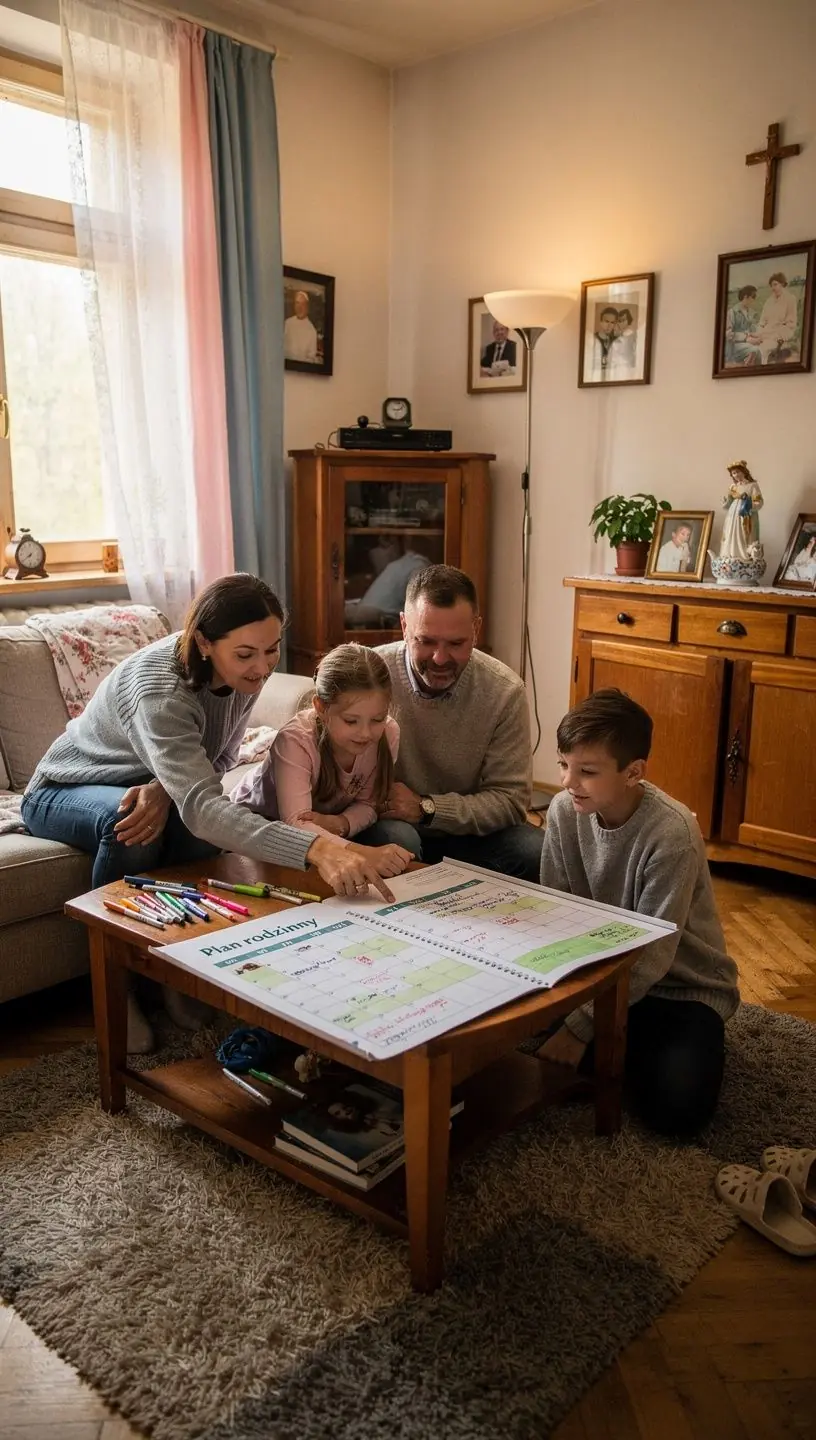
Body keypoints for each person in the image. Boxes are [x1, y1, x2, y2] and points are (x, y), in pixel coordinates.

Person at [21, 575, 405, 1052]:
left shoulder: (242, 676)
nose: (262, 667)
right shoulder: (160, 690)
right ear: (204, 642)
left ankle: (172, 966)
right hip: (65, 786)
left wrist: (165, 788)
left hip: (148, 781)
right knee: (131, 823)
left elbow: (220, 758)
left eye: (272, 650)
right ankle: (116, 989)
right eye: (245, 654)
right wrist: (316, 848)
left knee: (188, 831)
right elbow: (203, 806)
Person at [535, 688, 740, 1136]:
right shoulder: (564, 811)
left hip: (677, 989)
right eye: (564, 764)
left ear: (633, 772)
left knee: (679, 1114)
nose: (567, 782)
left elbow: (653, 957)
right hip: (600, 977)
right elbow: (553, 911)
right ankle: (626, 1054)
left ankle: (643, 1054)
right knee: (519, 1051)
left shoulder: (672, 833)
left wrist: (579, 1027)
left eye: (587, 772)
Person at [356, 565, 545, 880]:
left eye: (456, 644)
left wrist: (426, 808)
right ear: (404, 626)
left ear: (476, 629)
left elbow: (510, 801)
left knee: (537, 851)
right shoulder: (366, 675)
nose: (440, 658)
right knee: (398, 840)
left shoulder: (505, 691)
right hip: (390, 826)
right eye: (426, 641)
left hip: (468, 832)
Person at [231, 645, 408, 870]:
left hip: (327, 824)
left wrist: (341, 823)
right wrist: (364, 854)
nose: (365, 733)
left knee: (401, 836)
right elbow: (296, 823)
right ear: (321, 708)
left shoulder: (388, 733)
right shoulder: (295, 740)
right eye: (351, 721)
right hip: (261, 823)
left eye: (377, 719)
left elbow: (369, 804)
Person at [344, 540, 430, 628]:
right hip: (376, 621)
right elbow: (419, 606)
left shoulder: (400, 563)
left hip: (364, 613)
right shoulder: (419, 566)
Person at [720, 461, 763, 563]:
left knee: (744, 534)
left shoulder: (752, 485)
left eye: (738, 472)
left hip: (746, 514)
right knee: (731, 532)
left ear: (744, 471)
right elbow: (729, 503)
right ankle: (731, 553)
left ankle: (745, 555)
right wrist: (725, 502)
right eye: (733, 473)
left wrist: (750, 505)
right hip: (733, 515)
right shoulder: (733, 487)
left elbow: (759, 502)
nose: (736, 475)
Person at [755, 272, 798, 363]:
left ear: (782, 284)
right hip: (768, 331)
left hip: (783, 331)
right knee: (753, 345)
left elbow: (791, 323)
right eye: (771, 285)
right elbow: (762, 321)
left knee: (764, 347)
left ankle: (764, 366)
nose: (773, 288)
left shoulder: (790, 299)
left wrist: (778, 335)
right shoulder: (769, 301)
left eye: (775, 284)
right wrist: (760, 331)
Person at [724, 284, 761, 366]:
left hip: (748, 343)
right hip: (734, 346)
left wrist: (758, 336)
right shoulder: (732, 312)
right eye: (753, 296)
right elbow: (728, 334)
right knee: (756, 351)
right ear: (745, 297)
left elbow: (753, 329)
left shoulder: (750, 312)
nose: (754, 299)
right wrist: (746, 338)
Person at [284, 290, 319, 363]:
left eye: (303, 304)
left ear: (307, 307)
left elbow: (311, 358)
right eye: (297, 303)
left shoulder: (312, 331)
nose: (299, 307)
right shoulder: (288, 323)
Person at [587, 306, 619, 379]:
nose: (609, 325)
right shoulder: (593, 339)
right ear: (601, 322)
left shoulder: (617, 341)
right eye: (606, 321)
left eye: (612, 322)